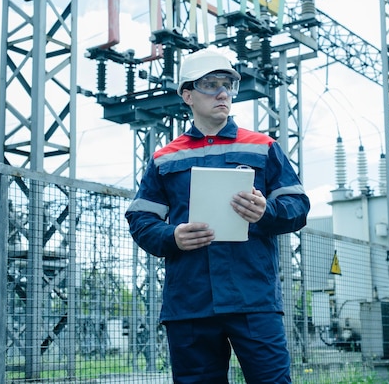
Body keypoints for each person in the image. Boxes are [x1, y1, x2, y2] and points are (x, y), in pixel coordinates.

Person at [125, 48, 310, 384]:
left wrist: (266, 212)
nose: (222, 93)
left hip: (253, 298)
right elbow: (141, 220)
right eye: (210, 84)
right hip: (191, 302)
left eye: (227, 84)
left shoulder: (263, 147)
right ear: (187, 95)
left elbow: (298, 207)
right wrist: (172, 237)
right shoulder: (165, 158)